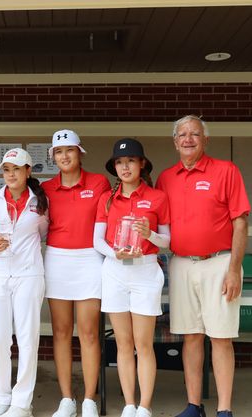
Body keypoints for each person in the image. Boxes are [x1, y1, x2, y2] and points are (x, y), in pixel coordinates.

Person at [156, 116, 250, 417]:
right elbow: (161, 227)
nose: (188, 139)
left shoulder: (226, 170)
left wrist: (234, 269)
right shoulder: (165, 178)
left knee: (221, 337)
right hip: (181, 264)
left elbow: (241, 222)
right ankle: (194, 405)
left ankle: (224, 409)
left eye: (194, 134)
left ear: (205, 140)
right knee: (191, 336)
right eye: (181, 134)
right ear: (174, 141)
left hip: (220, 263)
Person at [93, 138, 170, 417]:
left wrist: (149, 234)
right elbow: (97, 240)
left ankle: (145, 406)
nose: (125, 167)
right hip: (115, 271)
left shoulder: (157, 196)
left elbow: (166, 242)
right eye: (120, 162)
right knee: (123, 343)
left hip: (146, 270)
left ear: (142, 164)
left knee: (143, 343)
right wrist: (115, 254)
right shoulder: (107, 198)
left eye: (130, 161)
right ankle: (128, 404)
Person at [41, 129, 110, 417]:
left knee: (90, 332)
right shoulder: (44, 188)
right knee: (60, 331)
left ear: (79, 152)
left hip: (90, 259)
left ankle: (90, 399)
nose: (64, 155)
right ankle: (67, 399)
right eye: (59, 151)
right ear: (53, 157)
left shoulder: (98, 182)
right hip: (56, 260)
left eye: (69, 150)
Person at [0, 148, 49, 417]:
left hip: (29, 273)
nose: (11, 174)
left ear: (27, 171)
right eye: (6, 169)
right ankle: (3, 397)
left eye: (16, 169)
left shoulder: (38, 203)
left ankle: (22, 403)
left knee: (28, 337)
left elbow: (42, 233)